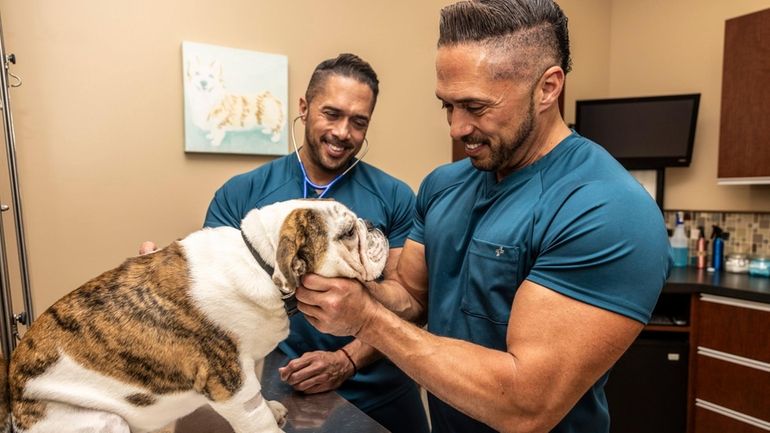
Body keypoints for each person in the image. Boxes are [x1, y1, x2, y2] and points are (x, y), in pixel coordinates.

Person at [292, 2, 672, 433]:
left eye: (475, 107)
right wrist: (344, 284)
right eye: (447, 106)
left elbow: (527, 405)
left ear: (548, 88)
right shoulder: (444, 185)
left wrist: (365, 318)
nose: (455, 128)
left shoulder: (607, 209)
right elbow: (413, 300)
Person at [199, 53, 428, 433]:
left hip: (385, 391)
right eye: (331, 114)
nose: (343, 132)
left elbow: (411, 304)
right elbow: (212, 298)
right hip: (290, 385)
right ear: (304, 108)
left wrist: (348, 360)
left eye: (359, 122)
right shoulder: (242, 194)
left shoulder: (396, 196)